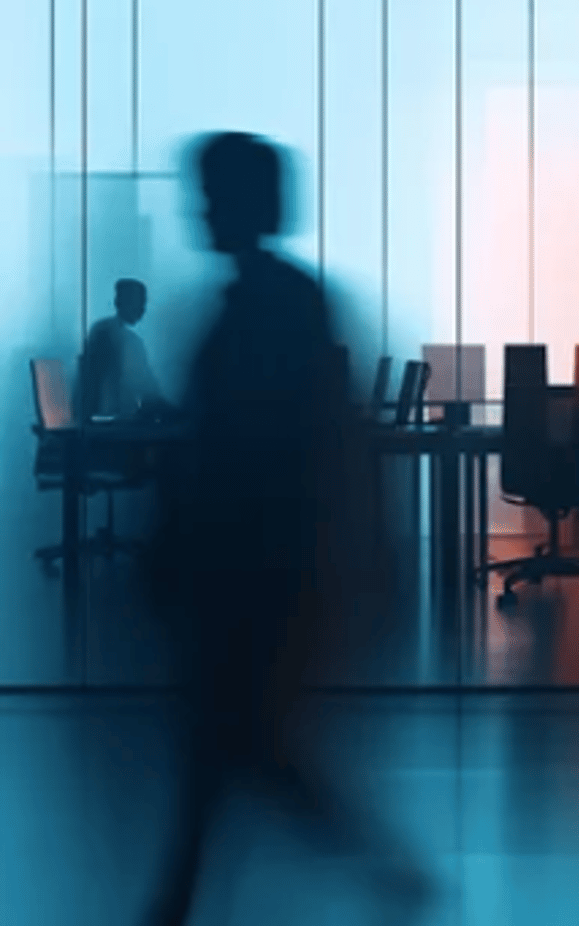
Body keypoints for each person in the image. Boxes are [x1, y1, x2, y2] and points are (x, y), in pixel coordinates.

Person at [142, 132, 427, 926]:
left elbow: (276, 445)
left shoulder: (277, 308)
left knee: (232, 746)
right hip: (250, 562)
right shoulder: (271, 301)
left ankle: (181, 902)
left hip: (258, 565)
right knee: (235, 748)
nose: (197, 210)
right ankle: (382, 869)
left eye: (208, 194)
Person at [77, 277, 168, 421]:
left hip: (109, 417)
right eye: (138, 303)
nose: (142, 309)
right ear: (119, 303)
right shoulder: (116, 335)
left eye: (143, 303)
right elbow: (144, 384)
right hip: (114, 421)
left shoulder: (103, 330)